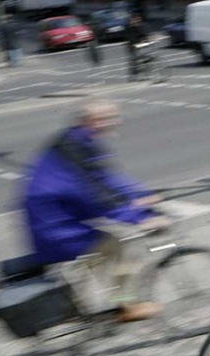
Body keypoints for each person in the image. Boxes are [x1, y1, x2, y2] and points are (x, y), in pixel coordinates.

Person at [22, 100, 169, 322]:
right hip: (53, 224)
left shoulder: (79, 141)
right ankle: (127, 305)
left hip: (59, 218)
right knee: (115, 247)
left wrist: (141, 195)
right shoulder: (76, 148)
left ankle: (81, 304)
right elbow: (97, 195)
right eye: (110, 117)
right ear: (92, 121)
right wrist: (139, 218)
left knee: (102, 253)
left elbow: (107, 179)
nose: (117, 122)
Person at [125, 13, 149, 80]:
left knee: (145, 57)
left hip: (141, 45)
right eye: (136, 20)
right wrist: (136, 42)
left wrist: (146, 39)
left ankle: (145, 71)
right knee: (134, 59)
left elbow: (144, 35)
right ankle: (134, 74)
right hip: (132, 46)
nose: (138, 21)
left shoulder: (140, 26)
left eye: (139, 19)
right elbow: (130, 38)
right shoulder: (129, 28)